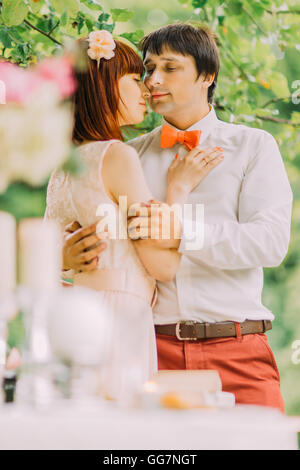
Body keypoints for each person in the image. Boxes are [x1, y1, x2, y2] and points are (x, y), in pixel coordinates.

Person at [64, 23, 294, 412]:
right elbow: (78, 229)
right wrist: (65, 257)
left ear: (207, 75)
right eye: (148, 70)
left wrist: (183, 231)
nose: (153, 80)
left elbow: (270, 243)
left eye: (170, 68)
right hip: (152, 353)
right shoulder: (123, 156)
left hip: (239, 350)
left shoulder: (254, 146)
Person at [44, 29, 223, 401]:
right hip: (119, 315)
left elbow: (51, 253)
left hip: (74, 316)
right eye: (134, 79)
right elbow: (164, 267)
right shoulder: (118, 156)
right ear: (105, 85)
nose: (147, 89)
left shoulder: (64, 166)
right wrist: (178, 189)